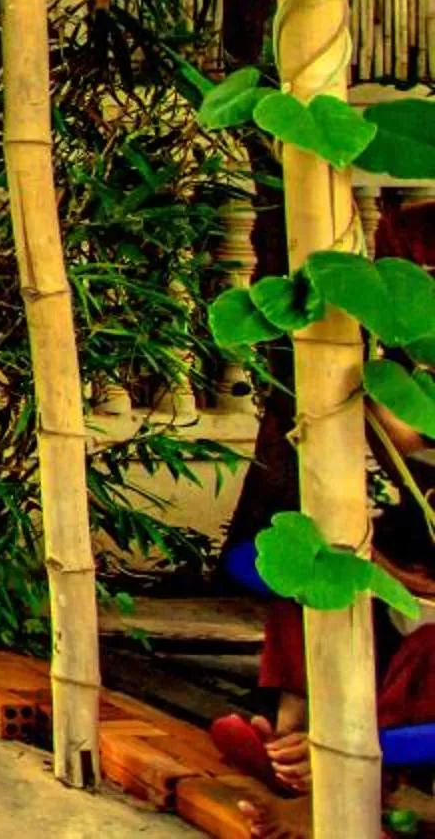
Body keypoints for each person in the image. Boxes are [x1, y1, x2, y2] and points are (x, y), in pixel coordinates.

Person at [214, 197, 435, 837]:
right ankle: (297, 743)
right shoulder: (401, 338)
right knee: (317, 583)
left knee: (427, 650)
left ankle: (339, 777)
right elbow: (404, 431)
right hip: (414, 559)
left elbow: (408, 427)